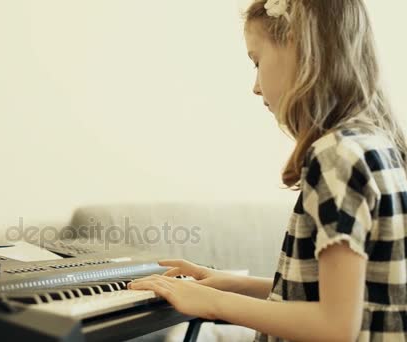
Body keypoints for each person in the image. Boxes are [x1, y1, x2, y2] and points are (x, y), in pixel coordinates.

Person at [128, 0, 407, 340]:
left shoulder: (336, 155)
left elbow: (335, 327)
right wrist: (235, 285)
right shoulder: (377, 144)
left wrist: (212, 302)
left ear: (299, 47)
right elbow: (346, 300)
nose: (256, 86)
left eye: (257, 62)